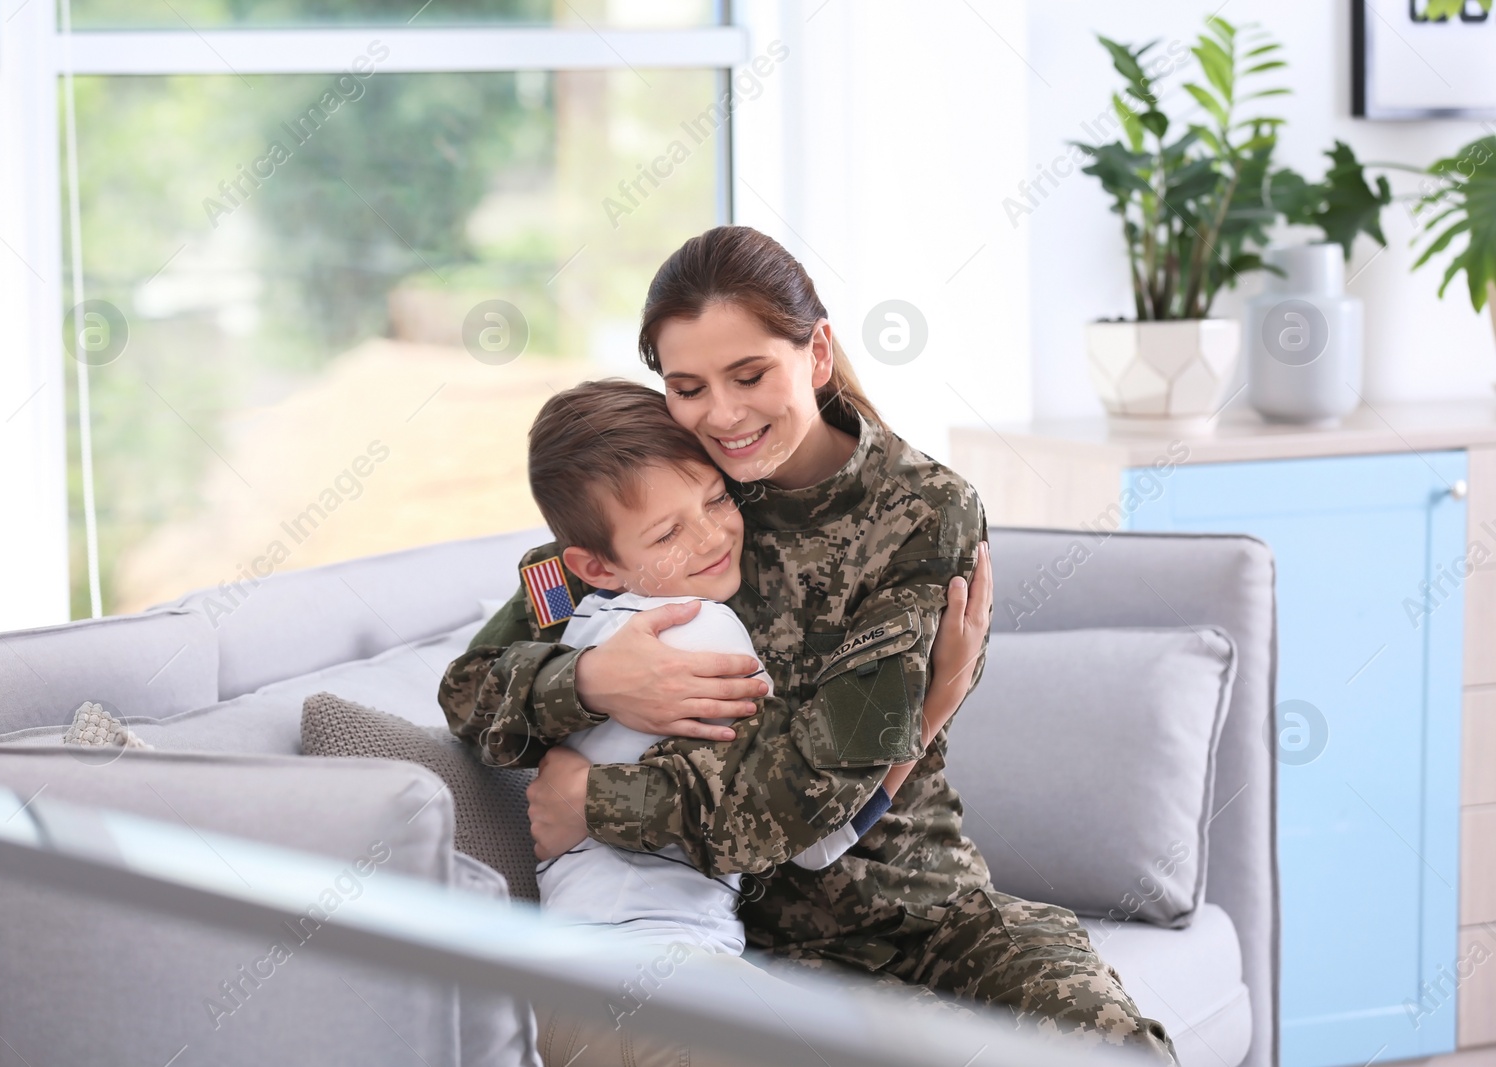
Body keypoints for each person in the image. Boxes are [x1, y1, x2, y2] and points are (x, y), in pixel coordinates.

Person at [442, 225, 1177, 1065]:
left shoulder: (921, 513)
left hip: (920, 914)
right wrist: (593, 681)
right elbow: (470, 685)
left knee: (1116, 1049)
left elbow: (810, 787)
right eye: (688, 386)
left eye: (749, 375)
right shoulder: (675, 486)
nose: (722, 414)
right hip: (748, 951)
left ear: (817, 353)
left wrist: (595, 801)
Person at [525, 379, 975, 958]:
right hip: (660, 947)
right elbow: (810, 838)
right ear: (597, 565)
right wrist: (942, 694)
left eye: (715, 499)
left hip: (577, 930)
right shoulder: (703, 631)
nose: (711, 536)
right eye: (668, 534)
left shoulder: (583, 616)